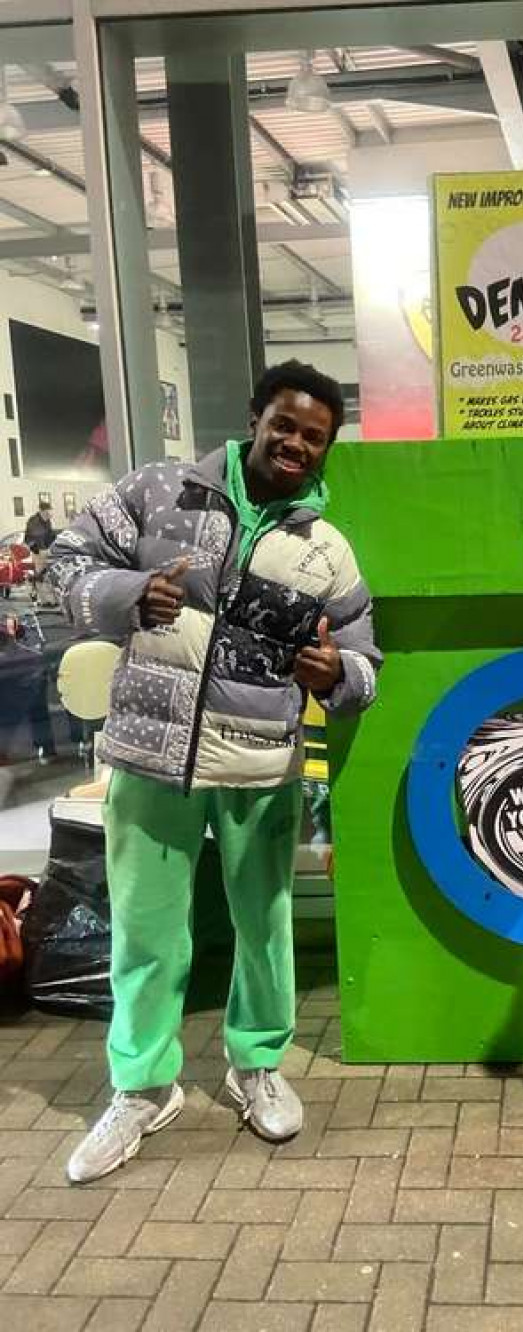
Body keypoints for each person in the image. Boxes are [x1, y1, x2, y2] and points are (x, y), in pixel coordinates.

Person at [49, 360, 381, 1184]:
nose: (297, 442)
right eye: (287, 424)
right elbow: (64, 561)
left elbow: (367, 662)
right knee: (145, 933)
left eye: (316, 435)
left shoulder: (326, 550)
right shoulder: (162, 490)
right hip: (148, 755)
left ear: (328, 448)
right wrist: (125, 594)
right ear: (255, 418)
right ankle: (141, 1087)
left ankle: (257, 1064)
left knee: (263, 931)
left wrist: (333, 674)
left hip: (260, 765)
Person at [24, 499, 58, 606]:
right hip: (38, 551)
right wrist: (40, 550)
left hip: (45, 550)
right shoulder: (34, 521)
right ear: (43, 511)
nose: (50, 514)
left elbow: (50, 535)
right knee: (41, 575)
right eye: (48, 512)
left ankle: (50, 599)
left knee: (46, 574)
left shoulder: (46, 521)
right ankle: (45, 600)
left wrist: (54, 544)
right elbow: (35, 536)